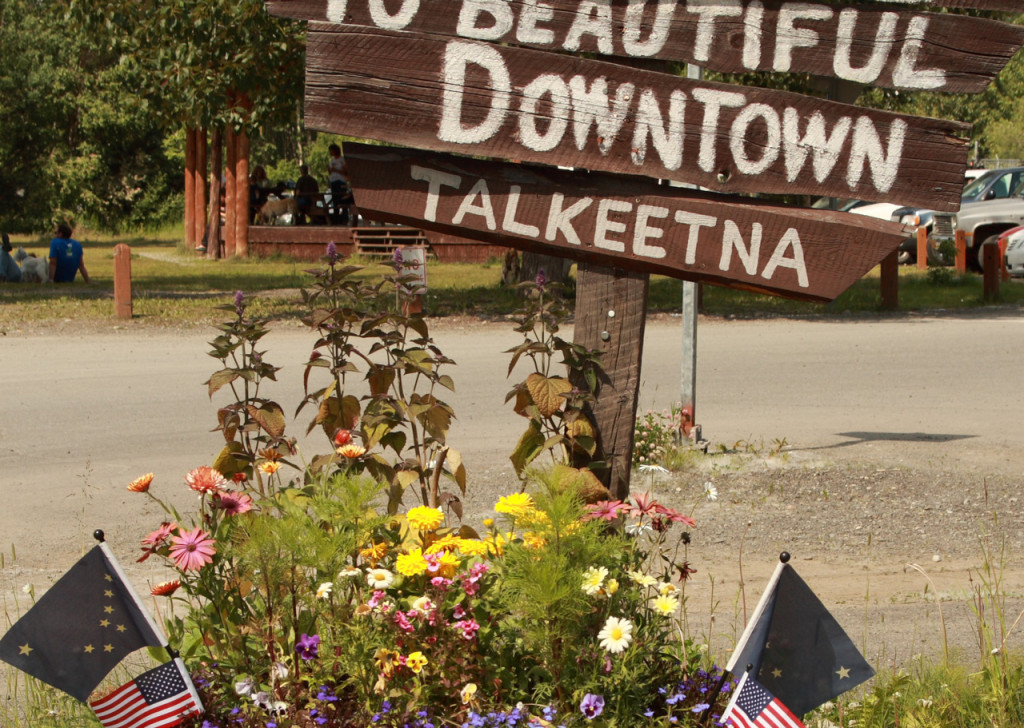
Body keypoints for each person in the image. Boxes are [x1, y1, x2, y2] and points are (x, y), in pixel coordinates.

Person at [326, 143, 356, 225]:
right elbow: (330, 171)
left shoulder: (342, 160)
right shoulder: (332, 160)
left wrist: (336, 170)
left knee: (343, 200)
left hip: (341, 181)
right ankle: (336, 219)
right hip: (333, 181)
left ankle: (344, 219)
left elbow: (346, 172)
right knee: (335, 200)